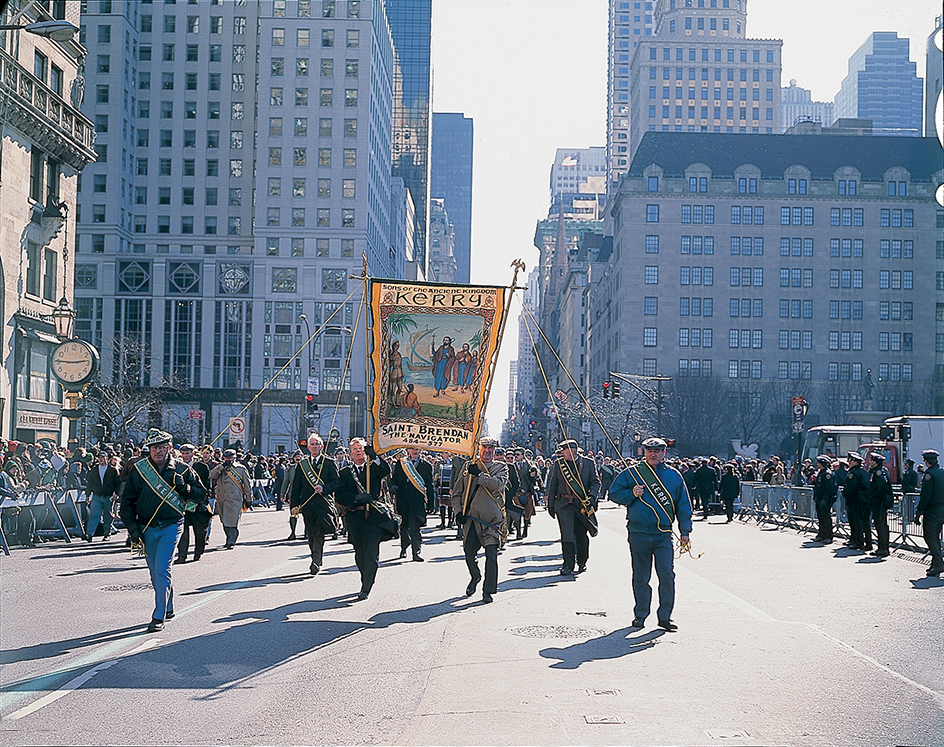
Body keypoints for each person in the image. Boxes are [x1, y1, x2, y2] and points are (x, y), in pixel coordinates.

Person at [120, 429, 206, 633]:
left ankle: (158, 615)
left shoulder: (183, 470)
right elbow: (127, 503)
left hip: (171, 525)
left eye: (161, 447)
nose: (158, 451)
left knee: (162, 568)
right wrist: (133, 530)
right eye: (154, 447)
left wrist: (184, 488)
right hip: (146, 527)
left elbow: (202, 495)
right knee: (154, 572)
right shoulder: (139, 470)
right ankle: (168, 604)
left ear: (169, 448)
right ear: (149, 449)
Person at [608, 437, 693, 632]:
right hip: (638, 532)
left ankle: (665, 617)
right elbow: (613, 494)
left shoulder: (674, 476)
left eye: (657, 451)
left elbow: (683, 505)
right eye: (649, 450)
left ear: (664, 453)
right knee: (640, 576)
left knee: (666, 575)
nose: (653, 454)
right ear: (643, 452)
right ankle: (640, 615)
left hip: (663, 534)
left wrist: (685, 531)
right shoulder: (632, 474)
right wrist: (632, 493)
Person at [452, 437, 508, 603]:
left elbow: (498, 485)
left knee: (492, 555)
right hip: (472, 519)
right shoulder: (467, 466)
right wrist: (458, 512)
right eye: (485, 447)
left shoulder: (501, 467)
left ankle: (487, 591)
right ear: (479, 448)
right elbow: (457, 494)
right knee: (469, 554)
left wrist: (479, 475)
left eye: (491, 448)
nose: (488, 451)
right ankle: (475, 577)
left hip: (492, 521)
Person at [335, 438, 391, 600]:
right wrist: (358, 498)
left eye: (361, 448)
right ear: (350, 453)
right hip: (355, 516)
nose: (359, 451)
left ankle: (367, 586)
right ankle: (364, 577)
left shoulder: (373, 468)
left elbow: (386, 471)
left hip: (373, 516)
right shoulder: (345, 472)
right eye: (355, 449)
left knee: (371, 552)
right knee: (360, 552)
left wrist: (375, 457)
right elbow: (340, 495)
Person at [546, 439, 599, 576]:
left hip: (582, 504)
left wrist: (592, 497)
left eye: (563, 451)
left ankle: (582, 561)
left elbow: (595, 482)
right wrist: (551, 505)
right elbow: (553, 485)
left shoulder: (588, 463)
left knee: (581, 535)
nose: (562, 454)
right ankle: (567, 565)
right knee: (566, 534)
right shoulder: (559, 464)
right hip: (563, 505)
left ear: (572, 451)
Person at [289, 433, 339, 575]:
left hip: (323, 504)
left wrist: (324, 488)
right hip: (307, 505)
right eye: (312, 444)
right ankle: (316, 557)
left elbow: (336, 482)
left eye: (317, 444)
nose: (315, 446)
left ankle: (315, 561)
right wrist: (294, 505)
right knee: (311, 534)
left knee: (319, 533)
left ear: (322, 446)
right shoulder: (302, 465)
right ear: (308, 447)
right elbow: (296, 486)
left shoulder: (329, 462)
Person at [390, 447, 434, 562]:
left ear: (421, 450)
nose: (414, 451)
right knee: (404, 526)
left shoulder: (426, 466)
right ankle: (404, 548)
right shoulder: (401, 463)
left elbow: (430, 485)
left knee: (415, 527)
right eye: (412, 449)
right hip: (403, 499)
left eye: (417, 449)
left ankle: (416, 552)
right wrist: (393, 487)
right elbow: (394, 479)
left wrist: (431, 504)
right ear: (408, 450)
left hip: (417, 501)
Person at [174, 444, 212, 563]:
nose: (185, 456)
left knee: (200, 531)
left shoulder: (201, 467)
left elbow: (206, 486)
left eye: (188, 453)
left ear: (193, 454)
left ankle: (198, 552)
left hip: (198, 504)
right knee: (182, 531)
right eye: (183, 453)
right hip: (182, 503)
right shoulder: (177, 467)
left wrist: (199, 498)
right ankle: (182, 555)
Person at [210, 449, 252, 549]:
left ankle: (231, 542)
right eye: (226, 458)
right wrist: (221, 466)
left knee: (232, 522)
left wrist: (249, 498)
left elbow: (247, 485)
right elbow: (212, 475)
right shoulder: (220, 467)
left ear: (235, 458)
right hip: (222, 498)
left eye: (230, 458)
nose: (228, 460)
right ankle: (228, 539)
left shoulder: (240, 469)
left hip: (234, 499)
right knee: (224, 521)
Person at [914, 449, 944, 577]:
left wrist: (919, 512)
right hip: (941, 509)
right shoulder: (942, 472)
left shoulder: (929, 475)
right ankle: (934, 564)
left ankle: (939, 563)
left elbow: (925, 496)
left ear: (926, 461)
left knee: (929, 537)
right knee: (935, 537)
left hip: (932, 511)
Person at [84, 450, 121, 542]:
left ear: (107, 458)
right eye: (99, 458)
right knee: (94, 515)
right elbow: (90, 483)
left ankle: (107, 534)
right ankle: (89, 534)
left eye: (103, 457)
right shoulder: (94, 470)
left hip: (108, 496)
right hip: (96, 495)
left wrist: (116, 493)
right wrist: (87, 495)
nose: (101, 459)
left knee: (108, 516)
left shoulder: (112, 470)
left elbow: (118, 483)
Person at [866, 452, 893, 558]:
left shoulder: (879, 472)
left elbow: (882, 488)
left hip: (879, 503)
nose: (870, 462)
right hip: (879, 502)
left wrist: (874, 498)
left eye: (871, 461)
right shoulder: (880, 471)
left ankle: (883, 548)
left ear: (875, 462)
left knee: (880, 524)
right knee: (880, 524)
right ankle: (882, 547)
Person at [842, 452, 870, 551]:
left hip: (856, 500)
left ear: (855, 462)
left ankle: (858, 542)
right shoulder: (864, 472)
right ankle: (857, 540)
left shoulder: (854, 473)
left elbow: (851, 488)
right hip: (863, 500)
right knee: (861, 522)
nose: (849, 462)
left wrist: (847, 496)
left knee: (856, 522)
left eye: (850, 460)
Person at [811, 455, 837, 543]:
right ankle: (821, 534)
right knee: (820, 517)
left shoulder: (827, 474)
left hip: (825, 499)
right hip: (819, 498)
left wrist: (825, 500)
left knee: (826, 517)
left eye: (818, 462)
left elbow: (829, 489)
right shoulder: (821, 472)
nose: (817, 464)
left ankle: (828, 536)